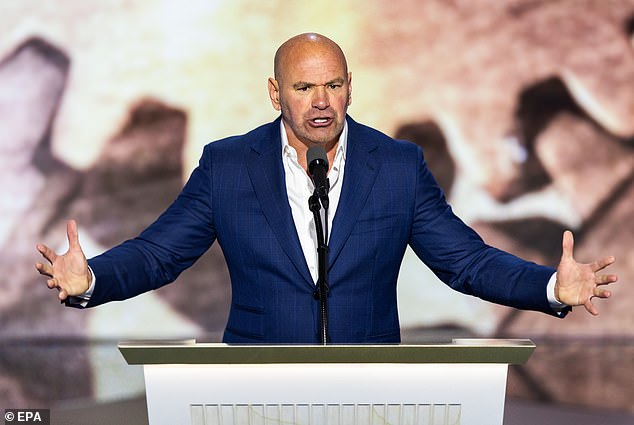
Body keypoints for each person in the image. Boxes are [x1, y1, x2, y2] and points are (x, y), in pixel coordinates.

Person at [35, 33, 618, 344]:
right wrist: (94, 280)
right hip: (257, 391)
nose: (320, 101)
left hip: (369, 391)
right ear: (275, 93)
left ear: (349, 88)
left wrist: (548, 286)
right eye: (304, 86)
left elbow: (464, 261)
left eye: (333, 85)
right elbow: (162, 254)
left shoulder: (397, 165)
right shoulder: (228, 166)